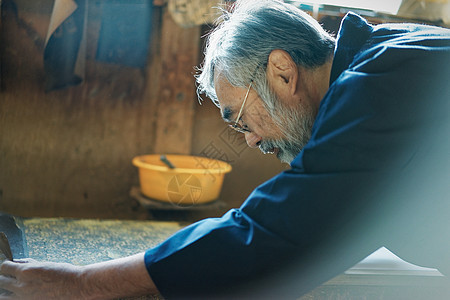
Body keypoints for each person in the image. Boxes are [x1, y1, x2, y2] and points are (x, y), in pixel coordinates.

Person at [1, 0, 450, 299]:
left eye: (239, 117)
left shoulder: (377, 85)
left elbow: (273, 232)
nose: (251, 140)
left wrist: (83, 284)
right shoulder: (387, 60)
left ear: (281, 72)